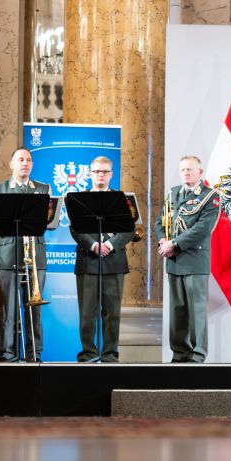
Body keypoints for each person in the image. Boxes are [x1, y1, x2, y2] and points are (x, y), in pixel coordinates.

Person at [73, 155, 140, 362]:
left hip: (114, 261)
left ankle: (110, 355)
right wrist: (94, 245)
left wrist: (109, 245)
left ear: (111, 174)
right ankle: (88, 354)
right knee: (87, 314)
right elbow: (75, 228)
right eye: (96, 171)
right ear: (90, 173)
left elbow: (130, 229)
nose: (100, 175)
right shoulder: (79, 198)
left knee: (112, 313)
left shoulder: (123, 199)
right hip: (88, 261)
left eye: (104, 172)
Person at [155, 155, 222, 363]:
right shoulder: (174, 193)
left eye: (190, 170)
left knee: (197, 312)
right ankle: (179, 353)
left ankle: (198, 354)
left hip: (194, 261)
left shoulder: (211, 196)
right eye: (183, 169)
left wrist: (175, 244)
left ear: (200, 173)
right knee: (177, 312)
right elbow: (160, 220)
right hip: (174, 261)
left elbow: (202, 229)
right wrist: (163, 240)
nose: (186, 173)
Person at [0, 148, 51, 362]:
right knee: (8, 309)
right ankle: (7, 353)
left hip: (36, 257)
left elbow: (50, 223)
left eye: (28, 160)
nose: (25, 163)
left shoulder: (43, 189)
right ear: (11, 164)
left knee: (34, 309)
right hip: (8, 255)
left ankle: (34, 353)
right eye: (20, 159)